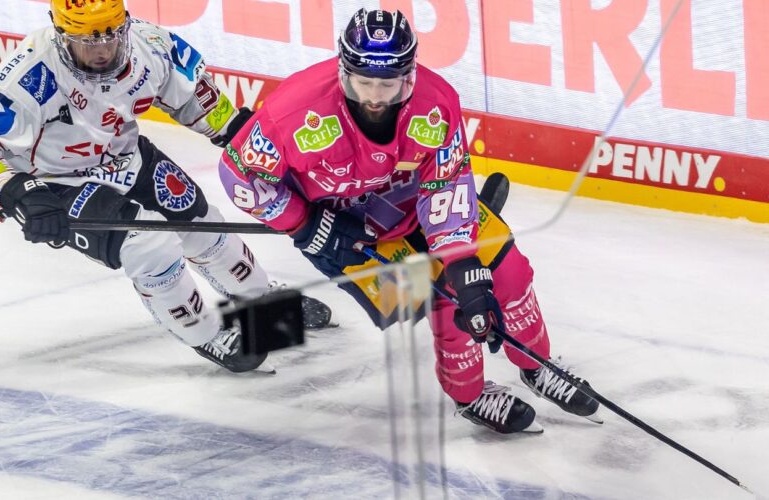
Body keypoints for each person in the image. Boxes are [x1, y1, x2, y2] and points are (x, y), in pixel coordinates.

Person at [219, 8, 600, 433]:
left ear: (410, 74)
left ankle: (538, 365)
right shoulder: (296, 110)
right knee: (440, 299)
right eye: (364, 82)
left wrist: (460, 259)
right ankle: (471, 396)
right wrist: (305, 225)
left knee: (506, 270)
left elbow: (446, 180)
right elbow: (239, 175)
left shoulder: (436, 103)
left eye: (388, 83)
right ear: (344, 70)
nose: (376, 96)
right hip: (345, 234)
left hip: (414, 202)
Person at [0, 0, 330, 374]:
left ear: (126, 23)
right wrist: (20, 196)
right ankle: (204, 332)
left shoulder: (152, 45)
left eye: (111, 36)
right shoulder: (29, 75)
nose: (103, 50)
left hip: (127, 158)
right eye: (87, 41)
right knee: (147, 244)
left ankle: (259, 298)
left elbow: (200, 101)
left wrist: (247, 141)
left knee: (201, 224)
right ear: (61, 33)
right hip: (56, 181)